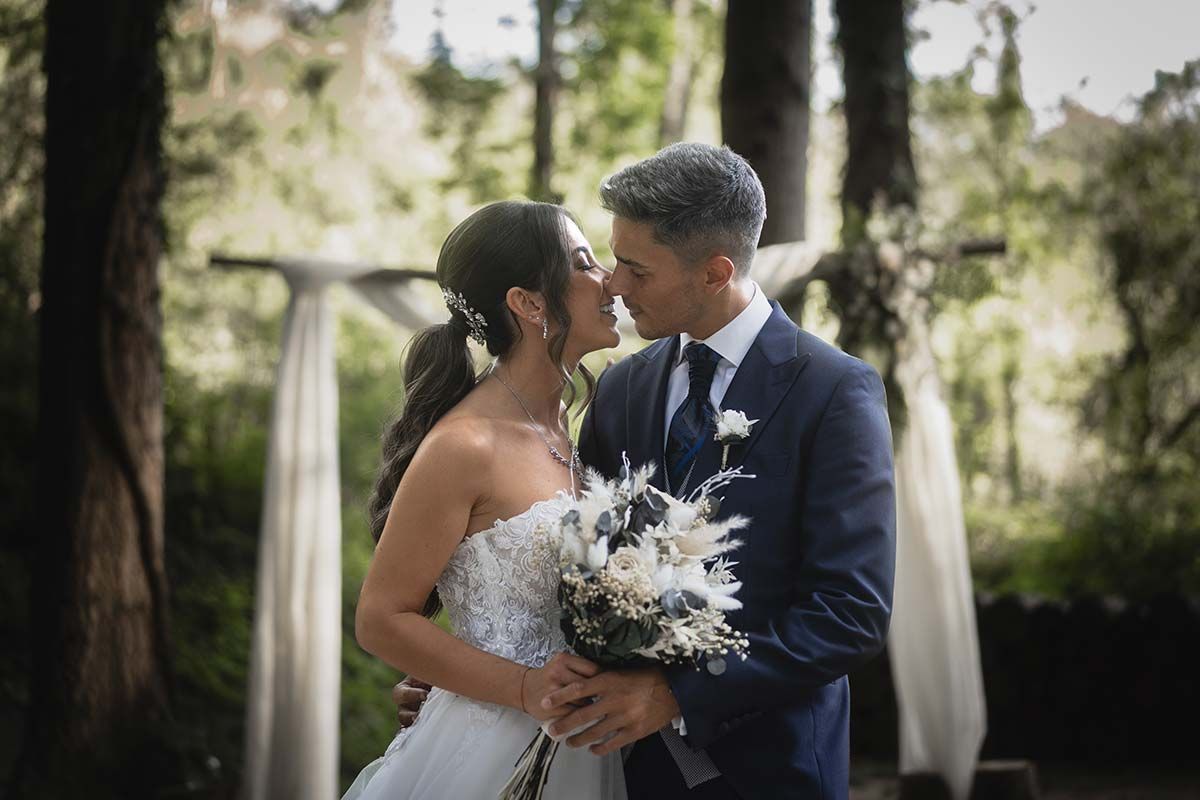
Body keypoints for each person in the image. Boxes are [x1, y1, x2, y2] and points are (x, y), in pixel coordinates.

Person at [394, 143, 897, 799]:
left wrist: (677, 695)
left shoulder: (834, 392)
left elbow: (849, 613)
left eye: (636, 268)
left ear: (715, 274)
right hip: (618, 769)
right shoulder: (622, 389)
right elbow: (570, 566)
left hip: (771, 770)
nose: (614, 284)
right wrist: (462, 677)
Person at [342, 199, 627, 799]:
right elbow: (380, 617)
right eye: (584, 263)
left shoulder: (574, 433)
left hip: (593, 745)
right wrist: (525, 688)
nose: (609, 280)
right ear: (528, 303)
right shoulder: (465, 444)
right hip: (490, 750)